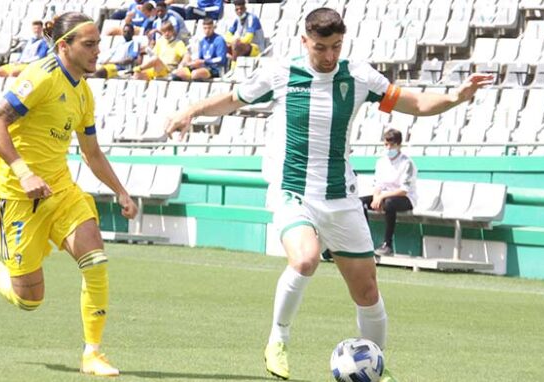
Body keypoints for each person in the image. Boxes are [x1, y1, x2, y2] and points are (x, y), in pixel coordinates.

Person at [164, 7, 492, 382]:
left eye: (336, 46)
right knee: (305, 259)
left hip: (342, 197)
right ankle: (278, 339)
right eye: (321, 48)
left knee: (367, 290)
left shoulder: (358, 75)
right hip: (293, 192)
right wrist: (191, 110)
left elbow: (414, 104)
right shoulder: (281, 73)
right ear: (305, 41)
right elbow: (234, 99)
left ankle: (375, 366)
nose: (329, 56)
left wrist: (456, 97)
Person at [0, 12, 138, 377]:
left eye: (98, 44)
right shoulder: (40, 78)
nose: (97, 52)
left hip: (60, 189)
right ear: (64, 46)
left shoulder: (84, 93)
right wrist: (24, 172)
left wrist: (121, 191)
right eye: (89, 45)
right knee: (29, 300)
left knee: (95, 260)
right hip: (18, 196)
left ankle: (92, 353)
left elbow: (91, 152)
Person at [360, 129, 417, 257]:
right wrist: (376, 198)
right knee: (360, 203)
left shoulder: (407, 163)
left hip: (405, 199)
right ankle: (365, 242)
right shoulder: (381, 162)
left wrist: (382, 197)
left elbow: (404, 190)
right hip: (384, 196)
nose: (388, 148)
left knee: (389, 204)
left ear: (399, 145)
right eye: (386, 145)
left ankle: (387, 245)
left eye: (392, 145)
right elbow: (378, 184)